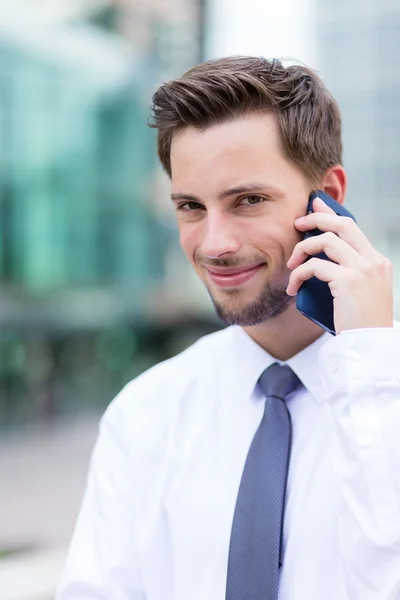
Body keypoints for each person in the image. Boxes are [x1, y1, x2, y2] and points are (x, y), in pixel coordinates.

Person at [57, 56, 400, 600]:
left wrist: (375, 370)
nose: (214, 244)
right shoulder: (144, 415)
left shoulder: (389, 395)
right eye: (191, 207)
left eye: (248, 200)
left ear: (329, 195)